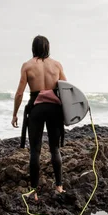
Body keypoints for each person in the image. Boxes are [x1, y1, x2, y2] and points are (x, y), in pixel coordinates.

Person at [12, 35, 67, 200]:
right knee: (54, 149)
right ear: (48, 47)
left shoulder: (27, 66)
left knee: (35, 151)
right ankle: (59, 187)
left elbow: (20, 93)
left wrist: (15, 113)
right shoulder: (56, 65)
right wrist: (69, 114)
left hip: (36, 109)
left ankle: (34, 192)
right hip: (54, 110)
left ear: (33, 48)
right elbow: (67, 90)